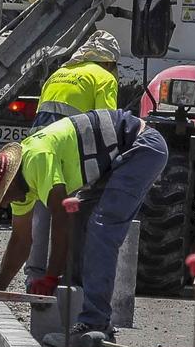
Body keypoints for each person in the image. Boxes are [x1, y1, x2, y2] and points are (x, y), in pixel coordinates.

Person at [0, 105, 168, 347]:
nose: (5, 203)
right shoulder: (22, 188)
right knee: (81, 222)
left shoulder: (36, 159)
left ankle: (95, 323)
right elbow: (21, 240)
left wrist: (50, 277)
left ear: (8, 182)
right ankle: (77, 316)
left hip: (141, 147)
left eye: (3, 197)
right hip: (116, 159)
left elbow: (60, 219)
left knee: (101, 229)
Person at [23, 30, 123, 288]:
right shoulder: (104, 78)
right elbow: (106, 122)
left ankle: (34, 277)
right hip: (72, 149)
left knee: (42, 211)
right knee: (71, 213)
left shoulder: (58, 74)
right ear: (109, 62)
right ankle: (65, 278)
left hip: (39, 147)